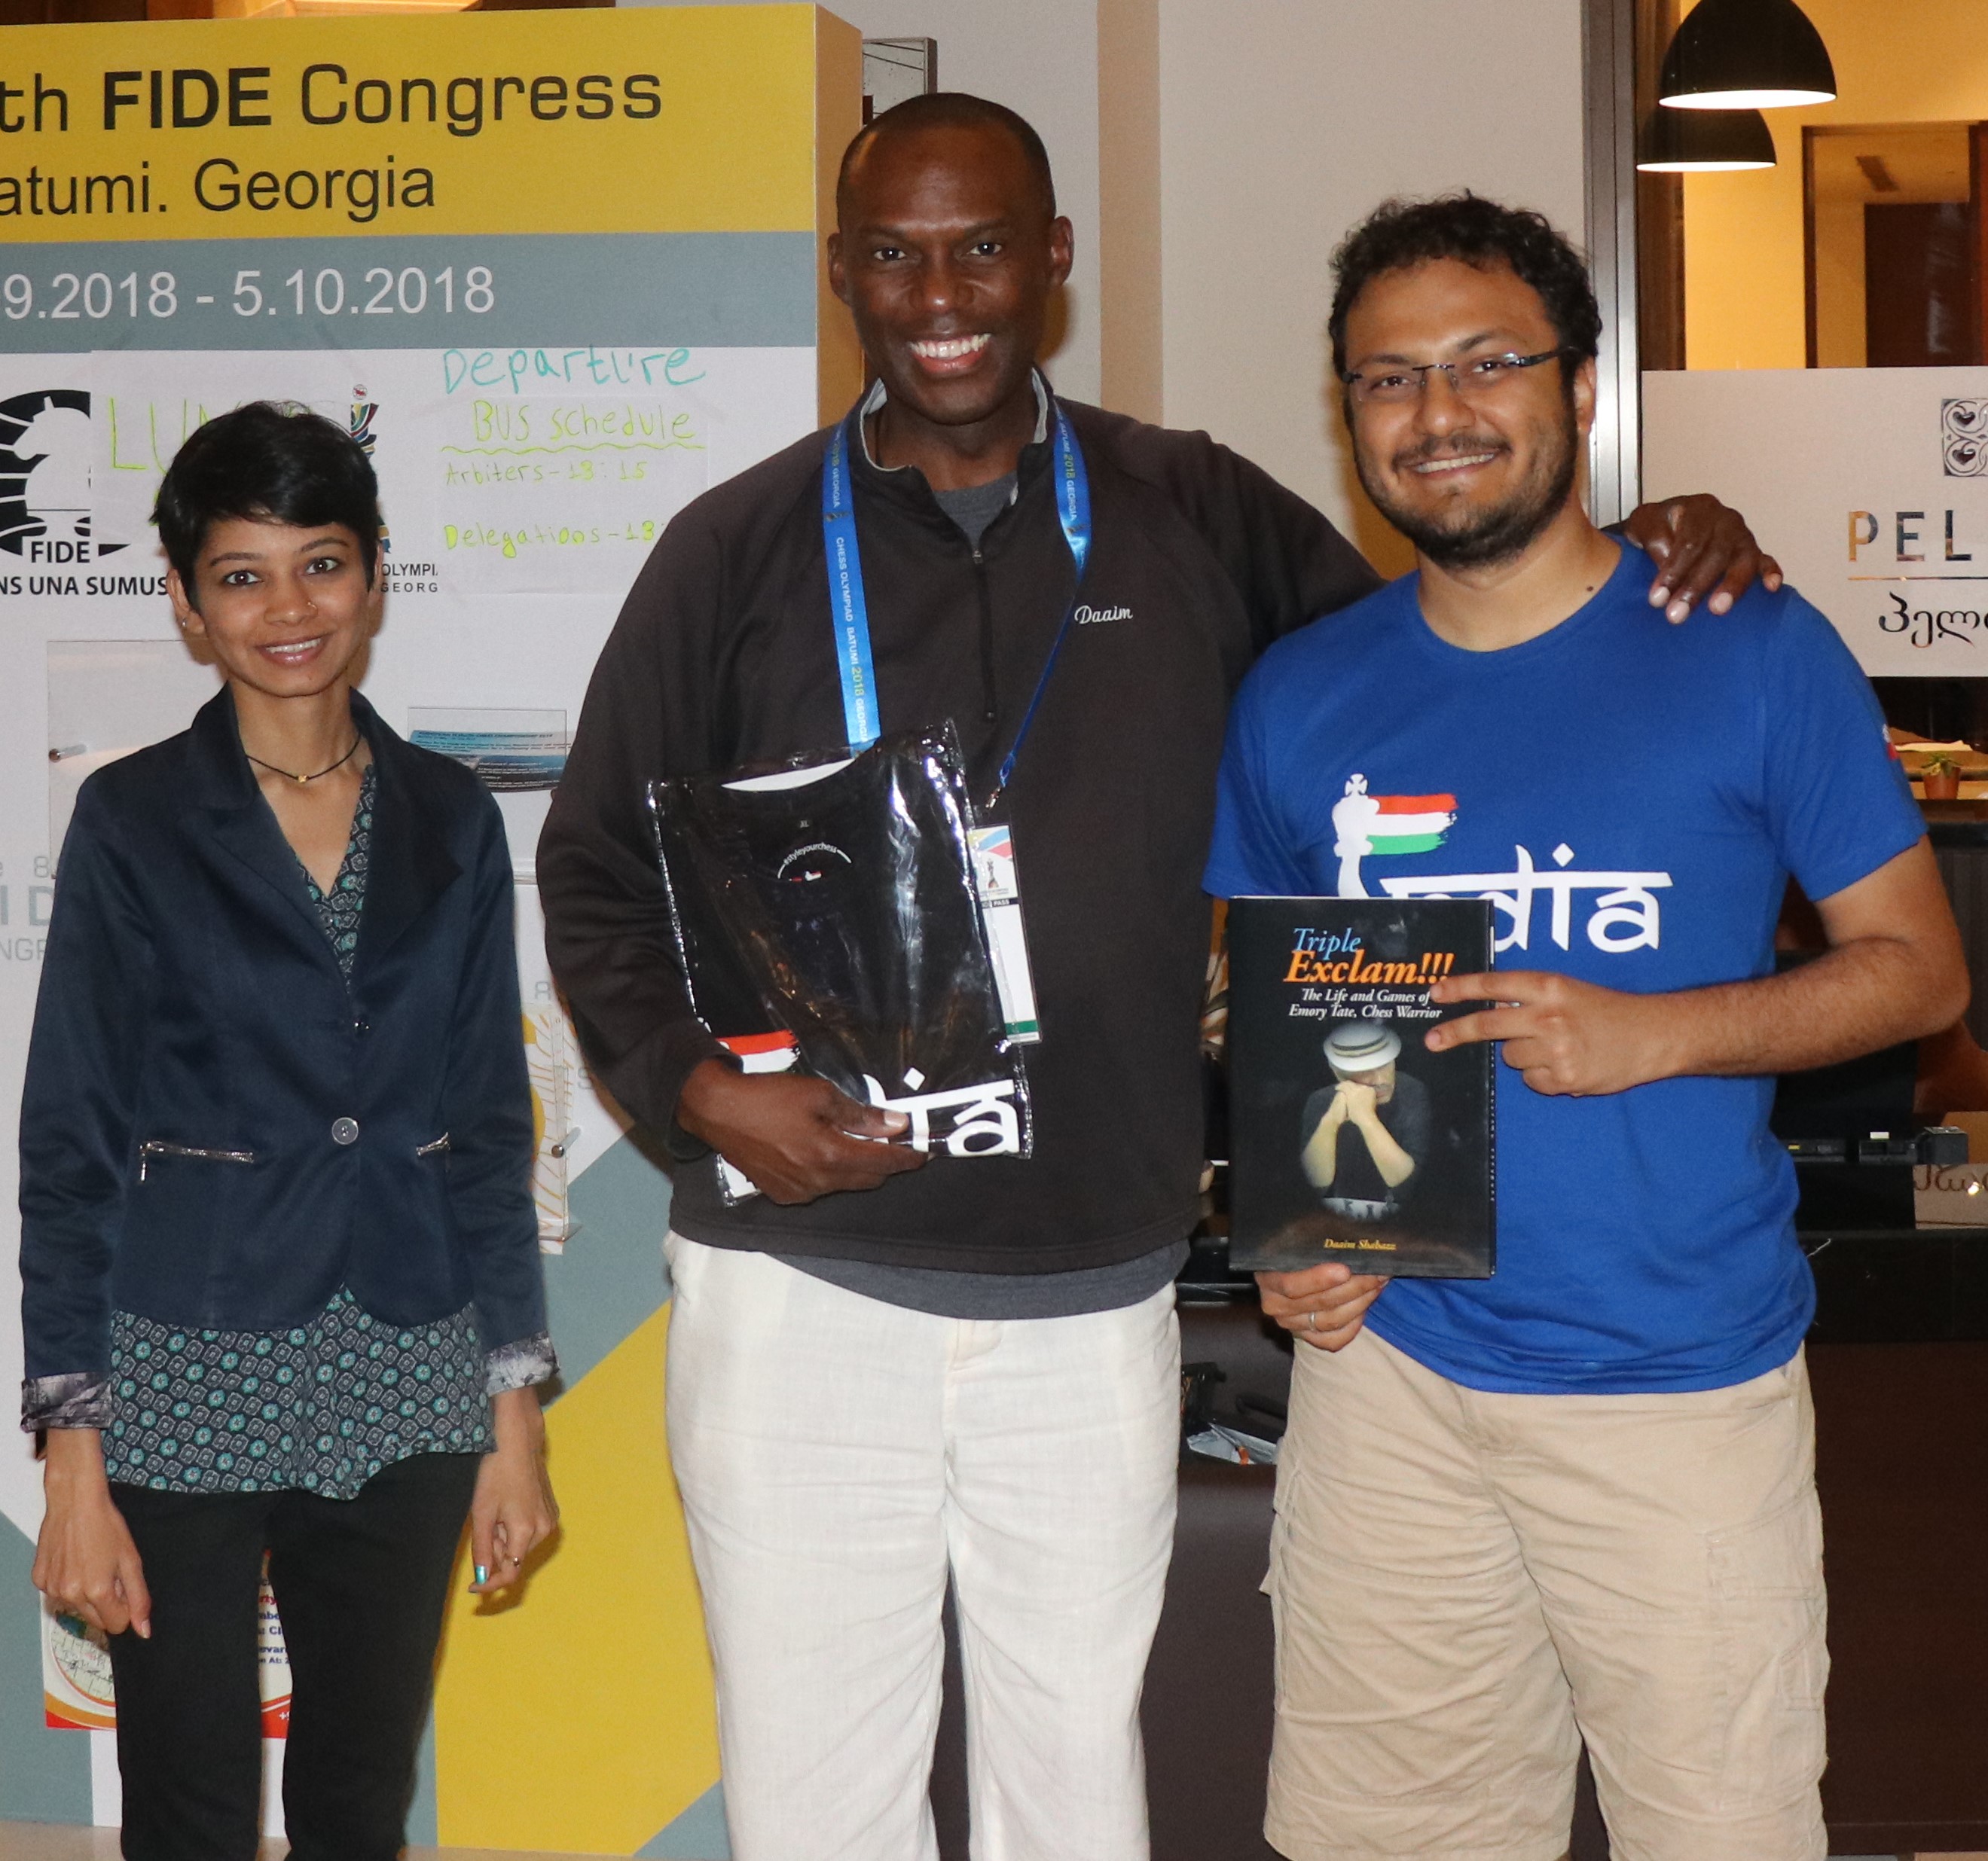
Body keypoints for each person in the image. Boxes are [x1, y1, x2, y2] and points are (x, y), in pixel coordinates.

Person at [536, 94, 1774, 1861]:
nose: (940, 290)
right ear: (843, 275)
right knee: (816, 1796)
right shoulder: (732, 552)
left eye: (982, 246)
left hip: (1092, 1293)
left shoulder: (1188, 506)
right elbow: (592, 862)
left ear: (1052, 261)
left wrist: (1644, 541)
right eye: (894, 252)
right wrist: (694, 1087)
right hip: (796, 1293)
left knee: (1075, 1784)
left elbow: (1440, 668)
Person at [1205, 194, 1969, 1861]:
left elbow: (1916, 971)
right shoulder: (1298, 694)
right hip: (1387, 1379)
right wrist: (1291, 1244)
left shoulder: (1749, 649)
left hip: (1672, 1386)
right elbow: (1284, 1015)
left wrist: (1653, 1030)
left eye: (1485, 360)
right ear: (1349, 418)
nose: (1437, 410)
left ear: (1578, 380)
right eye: (1387, 378)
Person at [20, 402, 560, 1861]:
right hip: (186, 1360)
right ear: (188, 603)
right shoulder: (132, 820)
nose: (288, 609)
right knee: (188, 1804)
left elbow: (483, 1127)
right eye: (242, 574)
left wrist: (512, 1419)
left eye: (320, 562)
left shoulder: (451, 815)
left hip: (408, 1360)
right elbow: (68, 1138)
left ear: (375, 573)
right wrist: (70, 1451)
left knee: (355, 1796)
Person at [1301, 1022, 1425, 1219]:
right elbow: (1315, 1185)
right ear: (1338, 1073)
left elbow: (1407, 1186)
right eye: (1364, 1071)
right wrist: (1330, 1122)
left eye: (1385, 1065)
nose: (1380, 1081)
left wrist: (1367, 1120)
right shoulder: (1320, 1101)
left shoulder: (1414, 1093)